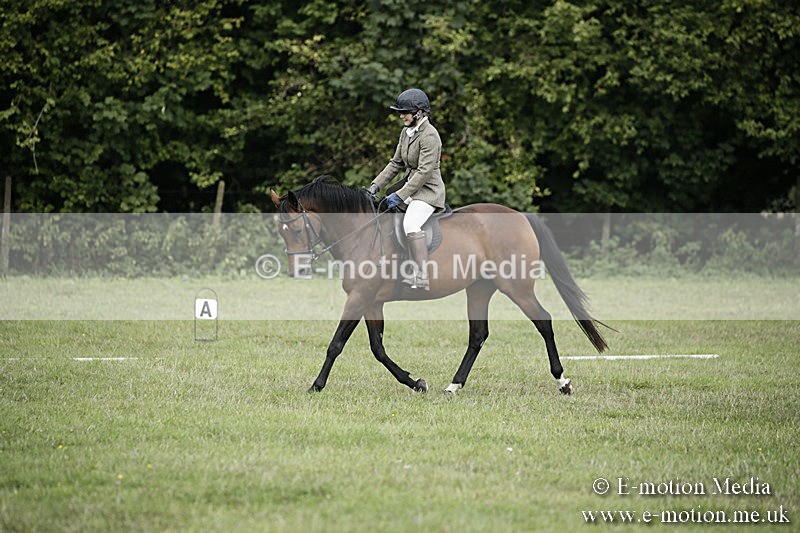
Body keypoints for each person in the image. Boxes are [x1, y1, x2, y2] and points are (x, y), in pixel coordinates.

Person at [367, 88, 446, 290]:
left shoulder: (430, 136)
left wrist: (400, 195)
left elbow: (423, 172)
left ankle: (422, 275)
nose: (401, 115)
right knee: (384, 215)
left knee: (410, 224)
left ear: (419, 112)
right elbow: (395, 163)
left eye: (405, 112)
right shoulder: (406, 133)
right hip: (411, 190)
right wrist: (375, 185)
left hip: (428, 192)